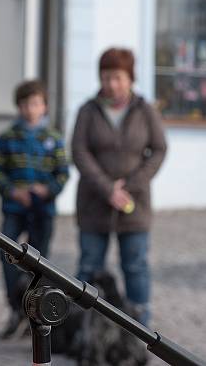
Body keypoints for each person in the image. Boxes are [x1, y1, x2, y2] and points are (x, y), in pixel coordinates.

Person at [71, 47, 167, 326]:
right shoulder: (87, 111)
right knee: (89, 267)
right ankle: (84, 329)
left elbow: (159, 149)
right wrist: (106, 188)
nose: (111, 84)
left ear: (130, 78)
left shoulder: (145, 111)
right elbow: (79, 152)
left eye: (117, 77)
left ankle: (140, 332)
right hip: (93, 204)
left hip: (134, 206)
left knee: (135, 267)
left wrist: (132, 185)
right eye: (105, 77)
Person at [0, 80, 69, 338]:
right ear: (18, 107)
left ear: (44, 106)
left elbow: (62, 174)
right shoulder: (8, 137)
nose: (30, 109)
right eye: (25, 104)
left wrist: (47, 191)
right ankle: (15, 307)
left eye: (35, 103)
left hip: (42, 210)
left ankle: (35, 312)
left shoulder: (54, 139)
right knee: (7, 255)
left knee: (40, 263)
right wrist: (13, 191)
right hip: (14, 207)